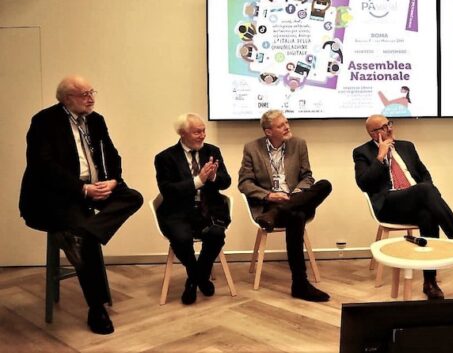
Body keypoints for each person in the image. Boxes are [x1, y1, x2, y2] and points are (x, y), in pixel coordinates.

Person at [18, 75, 143, 335]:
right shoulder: (44, 121)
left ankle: (84, 233)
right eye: (84, 94)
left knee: (133, 197)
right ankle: (96, 308)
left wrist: (113, 181)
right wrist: (81, 189)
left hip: (95, 186)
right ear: (67, 99)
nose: (90, 98)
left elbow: (112, 154)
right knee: (89, 245)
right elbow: (43, 166)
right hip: (61, 194)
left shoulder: (96, 120)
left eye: (92, 92)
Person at [353, 114, 453, 300]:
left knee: (427, 214)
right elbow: (363, 183)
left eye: (389, 124)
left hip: (415, 200)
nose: (389, 129)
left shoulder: (407, 146)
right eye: (383, 127)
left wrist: (428, 195)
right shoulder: (362, 152)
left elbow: (424, 174)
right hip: (389, 204)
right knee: (424, 190)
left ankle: (430, 282)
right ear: (373, 133)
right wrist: (380, 157)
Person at [238, 109, 332, 302]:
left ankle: (280, 211)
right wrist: (270, 195)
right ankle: (300, 284)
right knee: (297, 216)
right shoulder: (252, 148)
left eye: (287, 122)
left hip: (294, 199)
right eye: (281, 125)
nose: (287, 127)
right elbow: (244, 183)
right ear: (268, 131)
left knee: (325, 184)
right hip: (269, 204)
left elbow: (307, 177)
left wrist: (295, 194)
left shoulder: (299, 144)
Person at [154, 113, 231, 305]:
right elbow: (168, 190)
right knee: (181, 239)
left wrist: (213, 177)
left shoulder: (213, 151)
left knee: (216, 235)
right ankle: (200, 278)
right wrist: (199, 180)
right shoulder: (165, 158)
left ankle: (195, 279)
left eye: (204, 131)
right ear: (182, 133)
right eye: (197, 132)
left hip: (209, 210)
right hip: (178, 211)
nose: (202, 135)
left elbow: (226, 181)